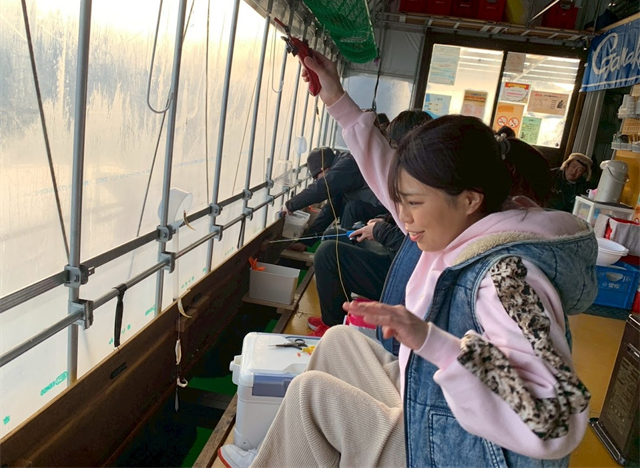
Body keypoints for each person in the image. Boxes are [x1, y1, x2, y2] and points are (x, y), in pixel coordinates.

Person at [219, 52, 596, 468]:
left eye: (412, 203)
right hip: (443, 417)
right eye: (400, 201)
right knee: (340, 341)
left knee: (313, 396)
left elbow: (555, 420)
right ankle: (282, 453)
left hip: (461, 453)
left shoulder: (505, 280)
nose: (402, 217)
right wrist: (337, 99)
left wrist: (434, 342)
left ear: (469, 199)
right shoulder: (474, 224)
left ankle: (279, 456)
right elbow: (397, 181)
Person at [307, 110, 432, 337]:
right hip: (398, 262)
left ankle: (333, 329)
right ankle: (334, 317)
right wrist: (383, 221)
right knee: (339, 237)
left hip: (405, 279)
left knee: (328, 253)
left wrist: (380, 230)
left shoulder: (426, 188)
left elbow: (418, 249)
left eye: (392, 146)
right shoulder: (419, 182)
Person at [283, 147, 387, 249]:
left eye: (317, 177)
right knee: (349, 209)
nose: (318, 181)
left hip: (385, 214)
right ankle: (344, 250)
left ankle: (346, 252)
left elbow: (322, 187)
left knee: (353, 208)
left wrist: (291, 205)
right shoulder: (341, 174)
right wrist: (305, 242)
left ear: (323, 169)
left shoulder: (347, 165)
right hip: (371, 210)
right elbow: (330, 209)